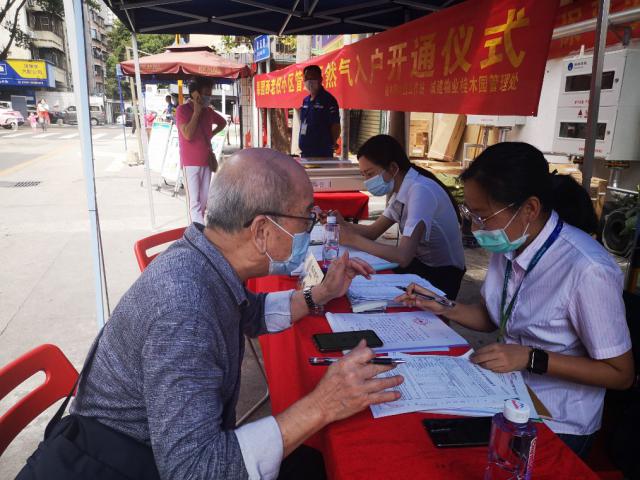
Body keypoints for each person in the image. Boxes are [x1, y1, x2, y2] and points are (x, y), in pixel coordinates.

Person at [17, 149, 403, 480]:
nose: (312, 226)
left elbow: (250, 313)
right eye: (306, 217)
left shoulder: (204, 259)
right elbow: (194, 470)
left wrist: (320, 294)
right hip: (133, 464)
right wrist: (321, 405)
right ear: (262, 231)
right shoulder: (184, 309)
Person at [396, 142, 634, 458]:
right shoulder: (510, 244)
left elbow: (620, 374)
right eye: (470, 214)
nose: (474, 227)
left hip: (558, 419)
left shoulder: (587, 269)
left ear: (530, 209)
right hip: (506, 394)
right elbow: (493, 317)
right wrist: (444, 305)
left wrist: (530, 358)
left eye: (483, 216)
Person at [336, 134, 465, 299]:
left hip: (443, 273)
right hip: (421, 264)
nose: (367, 181)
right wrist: (341, 224)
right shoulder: (402, 189)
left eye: (370, 174)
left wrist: (352, 239)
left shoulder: (420, 190)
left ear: (392, 168)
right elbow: (373, 231)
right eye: (363, 175)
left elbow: (403, 256)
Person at [176, 77, 227, 224]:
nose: (208, 98)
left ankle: (199, 229)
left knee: (203, 202)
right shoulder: (182, 110)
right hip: (190, 163)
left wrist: (211, 134)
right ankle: (197, 233)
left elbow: (222, 122)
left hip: (206, 161)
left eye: (210, 94)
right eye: (205, 94)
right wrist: (196, 113)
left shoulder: (208, 111)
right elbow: (187, 134)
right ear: (195, 94)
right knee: (194, 204)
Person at [298, 64, 340, 158]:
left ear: (320, 79)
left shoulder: (329, 100)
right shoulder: (306, 100)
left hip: (322, 153)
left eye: (312, 77)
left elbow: (335, 124)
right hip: (305, 152)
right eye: (306, 78)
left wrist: (333, 142)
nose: (309, 81)